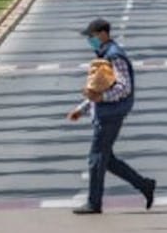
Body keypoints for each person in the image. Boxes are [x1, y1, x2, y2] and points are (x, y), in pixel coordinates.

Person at [66, 18, 156, 215]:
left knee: (96, 158)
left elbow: (124, 88)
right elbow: (98, 89)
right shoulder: (105, 54)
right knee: (107, 160)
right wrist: (82, 109)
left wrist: (101, 98)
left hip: (111, 114)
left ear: (103, 34)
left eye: (92, 36)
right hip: (106, 112)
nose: (90, 40)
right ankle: (145, 185)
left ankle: (94, 202)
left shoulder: (114, 56)